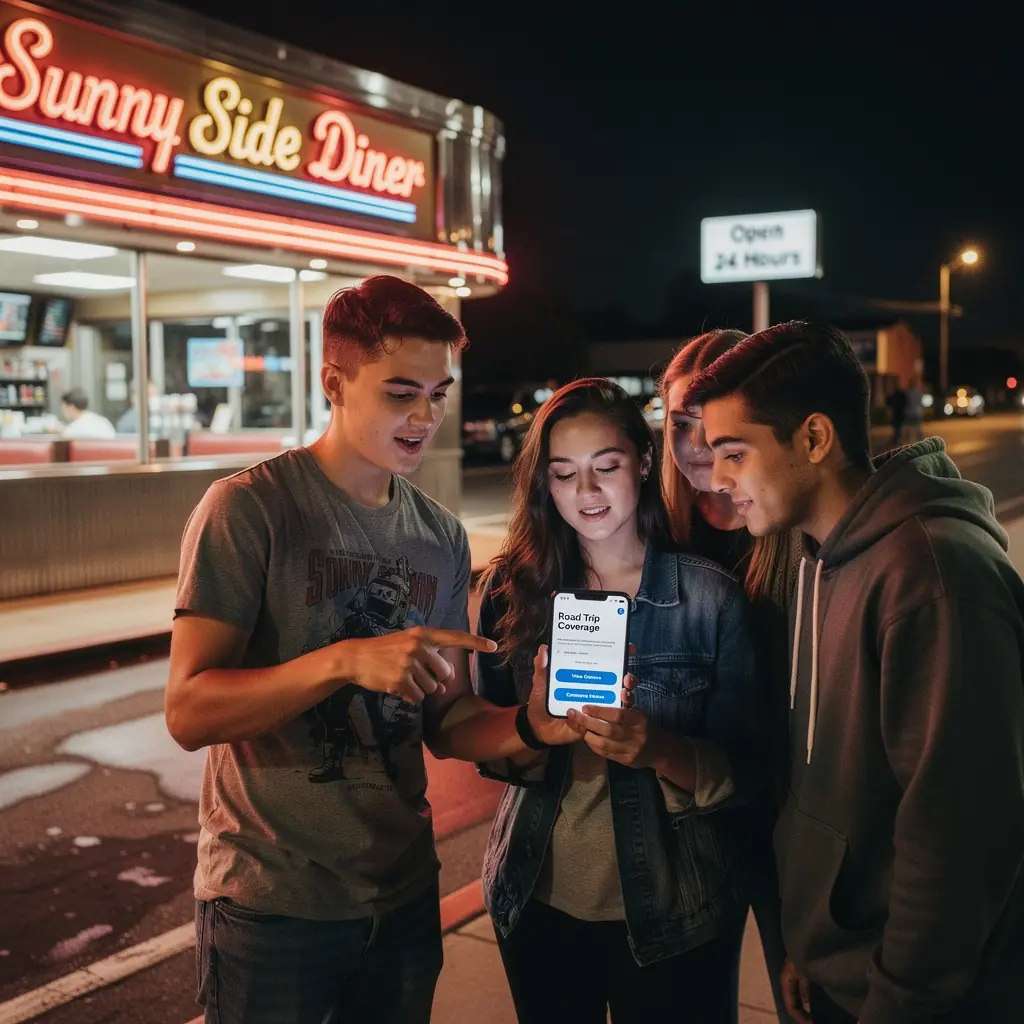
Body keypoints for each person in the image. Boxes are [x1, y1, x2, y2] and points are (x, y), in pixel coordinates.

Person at [166, 275, 571, 1024]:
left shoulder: (440, 536)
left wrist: (530, 726)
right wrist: (345, 660)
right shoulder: (250, 509)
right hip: (273, 904)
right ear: (335, 383)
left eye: (439, 394)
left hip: (404, 897)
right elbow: (189, 711)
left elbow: (445, 721)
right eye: (399, 393)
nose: (425, 417)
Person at [688, 320, 1024, 1024]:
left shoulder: (934, 574)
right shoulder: (815, 554)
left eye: (734, 453)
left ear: (813, 439)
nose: (718, 480)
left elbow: (959, 832)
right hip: (840, 965)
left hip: (915, 996)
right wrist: (808, 944)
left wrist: (900, 1002)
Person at [473, 377, 768, 1024]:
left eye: (606, 466)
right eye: (563, 473)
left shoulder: (710, 600)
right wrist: (531, 728)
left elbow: (748, 774)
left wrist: (659, 749)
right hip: (535, 899)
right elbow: (487, 749)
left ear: (641, 458)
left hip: (675, 911)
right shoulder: (510, 591)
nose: (586, 492)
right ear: (543, 485)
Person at [660, 329, 800, 1024]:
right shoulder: (649, 531)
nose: (695, 445)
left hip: (781, 810)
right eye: (681, 423)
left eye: (711, 427)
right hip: (687, 818)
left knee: (799, 991)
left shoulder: (787, 522)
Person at [903, 376, 925, 442]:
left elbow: (907, 402)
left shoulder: (909, 392)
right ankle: (919, 440)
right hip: (914, 412)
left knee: (911, 427)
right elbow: (919, 402)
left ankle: (908, 440)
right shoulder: (915, 392)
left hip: (912, 412)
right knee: (913, 427)